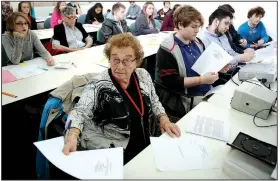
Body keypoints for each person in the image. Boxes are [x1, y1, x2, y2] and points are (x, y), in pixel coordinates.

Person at [62, 33, 181, 165]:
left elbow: (154, 100)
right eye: (115, 59)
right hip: (115, 152)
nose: (120, 66)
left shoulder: (143, 75)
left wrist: (164, 119)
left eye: (127, 60)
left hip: (146, 142)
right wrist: (72, 135)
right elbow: (80, 111)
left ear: (137, 61)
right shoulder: (98, 84)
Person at [155, 5, 230, 119]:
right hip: (186, 98)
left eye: (198, 27)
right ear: (180, 25)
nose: (197, 30)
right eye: (194, 26)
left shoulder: (198, 42)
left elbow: (205, 65)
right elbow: (171, 81)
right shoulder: (167, 49)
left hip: (205, 91)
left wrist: (218, 68)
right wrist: (201, 80)